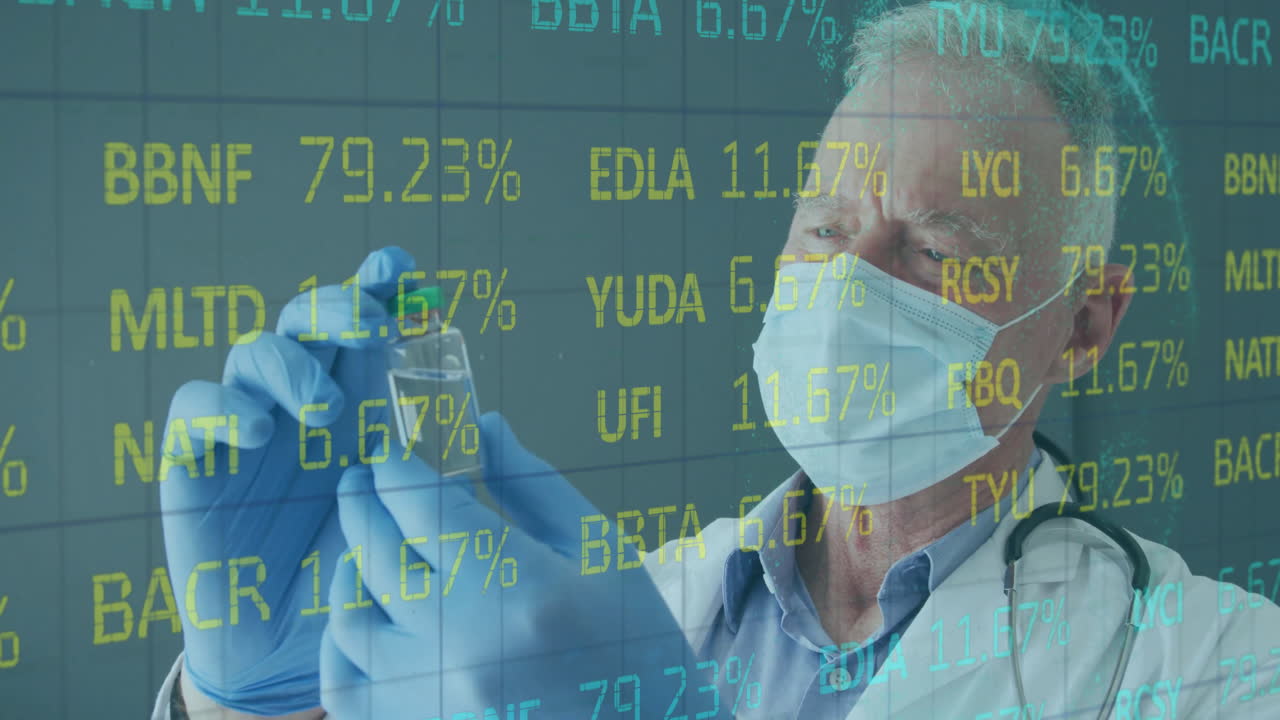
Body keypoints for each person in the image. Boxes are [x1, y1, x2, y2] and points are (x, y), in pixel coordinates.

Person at [152, 2, 1280, 719]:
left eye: (936, 251)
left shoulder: (1217, 672)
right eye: (827, 230)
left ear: (1085, 323)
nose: (852, 289)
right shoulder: (622, 614)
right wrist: (252, 702)